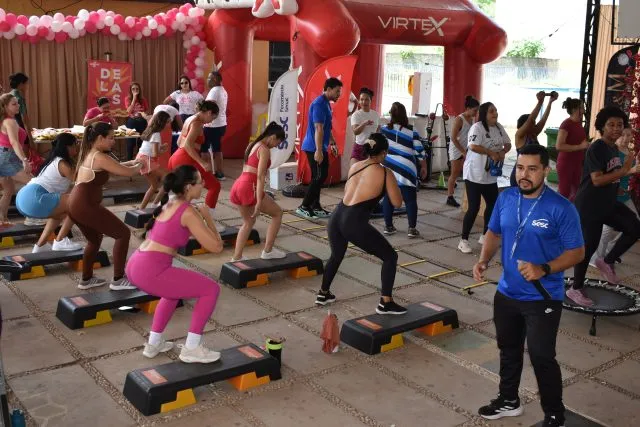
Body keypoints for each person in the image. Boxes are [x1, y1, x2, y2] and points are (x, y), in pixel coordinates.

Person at [473, 144, 584, 427]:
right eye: (520, 168)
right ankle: (508, 400)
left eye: (532, 169)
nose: (524, 175)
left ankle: (555, 414)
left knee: (541, 356)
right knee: (508, 349)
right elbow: (494, 232)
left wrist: (543, 268)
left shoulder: (561, 208)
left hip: (542, 296)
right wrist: (483, 259)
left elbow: (577, 252)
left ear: (546, 170)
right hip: (506, 293)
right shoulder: (506, 198)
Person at [126, 165, 224, 364]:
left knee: (172, 292)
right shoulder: (188, 211)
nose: (204, 184)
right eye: (200, 182)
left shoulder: (170, 202)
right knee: (211, 289)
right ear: (188, 186)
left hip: (136, 264)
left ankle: (154, 343)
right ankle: (192, 348)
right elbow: (216, 247)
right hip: (150, 270)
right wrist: (207, 218)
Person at [315, 133, 407, 314]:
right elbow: (397, 203)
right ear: (384, 153)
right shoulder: (385, 172)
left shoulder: (355, 165)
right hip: (353, 222)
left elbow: (352, 191)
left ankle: (323, 293)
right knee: (390, 257)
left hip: (336, 217)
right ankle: (385, 302)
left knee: (336, 255)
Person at [568, 106, 640, 306]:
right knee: (588, 247)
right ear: (602, 127)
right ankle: (575, 288)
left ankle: (607, 261)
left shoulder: (613, 148)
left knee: (634, 227)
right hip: (589, 205)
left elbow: (611, 177)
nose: (616, 128)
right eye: (611, 125)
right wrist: (625, 170)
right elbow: (597, 180)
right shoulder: (597, 148)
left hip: (607, 203)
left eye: (620, 125)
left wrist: (620, 184)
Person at [69, 122, 143, 290]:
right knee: (123, 234)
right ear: (100, 138)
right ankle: (118, 280)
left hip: (76, 204)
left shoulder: (92, 153)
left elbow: (118, 166)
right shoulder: (99, 157)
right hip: (85, 205)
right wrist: (141, 164)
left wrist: (134, 161)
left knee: (95, 240)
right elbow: (129, 173)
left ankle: (86, 279)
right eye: (110, 138)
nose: (113, 141)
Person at [15, 133, 83, 253]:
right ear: (67, 147)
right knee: (78, 204)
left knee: (61, 212)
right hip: (34, 197)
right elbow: (82, 181)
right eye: (74, 145)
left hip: (24, 198)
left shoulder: (53, 160)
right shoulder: (62, 163)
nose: (76, 148)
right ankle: (60, 241)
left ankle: (40, 246)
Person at [458, 102, 512, 254]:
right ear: (484, 114)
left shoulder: (499, 127)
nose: (495, 113)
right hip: (474, 174)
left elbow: (508, 143)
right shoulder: (477, 127)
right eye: (491, 111)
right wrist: (490, 152)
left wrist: (502, 152)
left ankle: (485, 235)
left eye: (496, 111)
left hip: (490, 175)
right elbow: (473, 146)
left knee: (493, 205)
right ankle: (463, 240)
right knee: (474, 207)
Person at [230, 122, 286, 262]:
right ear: (272, 137)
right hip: (250, 187)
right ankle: (268, 251)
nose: (276, 146)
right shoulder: (264, 149)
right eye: (277, 142)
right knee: (277, 213)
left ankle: (237, 257)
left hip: (239, 184)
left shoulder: (252, 145)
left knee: (248, 222)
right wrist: (259, 200)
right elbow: (260, 176)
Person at [168, 100, 223, 230]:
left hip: (176, 157)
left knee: (183, 191)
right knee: (215, 186)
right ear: (209, 112)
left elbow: (180, 142)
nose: (211, 121)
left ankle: (173, 219)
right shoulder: (197, 123)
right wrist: (201, 162)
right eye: (212, 118)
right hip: (185, 158)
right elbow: (187, 145)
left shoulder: (190, 119)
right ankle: (208, 223)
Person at [296, 77, 342, 219]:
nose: (339, 94)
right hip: (313, 147)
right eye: (337, 91)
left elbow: (327, 127)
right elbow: (318, 128)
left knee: (320, 176)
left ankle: (315, 206)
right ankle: (304, 206)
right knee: (319, 176)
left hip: (320, 146)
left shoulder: (326, 103)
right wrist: (319, 150)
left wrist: (332, 143)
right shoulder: (319, 104)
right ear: (328, 89)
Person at [590, 128, 637, 266]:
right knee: (607, 229)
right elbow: (609, 175)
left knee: (635, 224)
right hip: (612, 194)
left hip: (625, 195)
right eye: (623, 135)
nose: (625, 138)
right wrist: (631, 170)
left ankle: (611, 252)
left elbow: (631, 173)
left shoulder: (630, 153)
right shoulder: (612, 152)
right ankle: (596, 258)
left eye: (628, 135)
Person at [380, 102, 427, 238]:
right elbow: (419, 150)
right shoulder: (411, 131)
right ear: (404, 115)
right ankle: (412, 229)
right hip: (407, 168)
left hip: (389, 167)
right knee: (410, 199)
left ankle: (388, 227)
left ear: (391, 114)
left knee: (389, 197)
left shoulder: (383, 130)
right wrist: (424, 166)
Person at [509, 91, 557, 187]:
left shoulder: (533, 134)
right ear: (524, 126)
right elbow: (531, 120)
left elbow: (543, 120)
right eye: (532, 124)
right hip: (520, 175)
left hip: (532, 174)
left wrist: (550, 102)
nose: (535, 125)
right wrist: (540, 102)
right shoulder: (519, 136)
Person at [0, 93, 33, 224]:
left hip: (4, 155)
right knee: (34, 183)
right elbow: (14, 142)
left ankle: (2, 219)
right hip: (7, 157)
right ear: (5, 107)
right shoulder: (10, 121)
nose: (18, 105)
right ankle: (33, 217)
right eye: (14, 104)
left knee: (8, 191)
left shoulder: (4, 120)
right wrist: (24, 161)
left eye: (17, 103)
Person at [447, 95, 479, 207]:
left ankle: (456, 187)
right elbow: (453, 138)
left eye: (477, 111)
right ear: (468, 108)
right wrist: (462, 151)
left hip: (466, 148)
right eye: (475, 110)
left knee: (462, 172)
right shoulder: (459, 119)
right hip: (456, 149)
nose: (476, 113)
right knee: (454, 173)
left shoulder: (472, 119)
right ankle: (450, 197)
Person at [556, 98, 589, 201]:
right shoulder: (566, 124)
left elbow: (580, 143)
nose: (583, 111)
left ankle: (571, 210)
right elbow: (559, 146)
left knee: (576, 191)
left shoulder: (578, 124)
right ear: (575, 109)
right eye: (581, 108)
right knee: (564, 192)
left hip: (577, 164)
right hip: (566, 164)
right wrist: (580, 147)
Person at [136, 112, 171, 209]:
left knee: (154, 186)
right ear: (162, 122)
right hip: (146, 160)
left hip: (143, 157)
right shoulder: (156, 134)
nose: (169, 124)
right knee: (168, 179)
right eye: (168, 122)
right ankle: (154, 205)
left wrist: (161, 147)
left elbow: (151, 148)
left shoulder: (150, 130)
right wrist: (163, 151)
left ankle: (144, 207)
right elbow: (155, 153)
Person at [203, 71, 228, 180]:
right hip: (221, 124)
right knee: (217, 149)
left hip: (212, 125)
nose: (207, 80)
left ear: (215, 80)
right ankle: (220, 173)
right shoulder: (223, 90)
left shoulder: (214, 91)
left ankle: (206, 174)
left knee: (204, 149)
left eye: (209, 78)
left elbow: (207, 108)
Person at [350, 87, 380, 167]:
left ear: (370, 101)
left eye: (366, 99)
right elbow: (355, 132)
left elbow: (378, 131)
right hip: (359, 148)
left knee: (370, 173)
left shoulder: (376, 115)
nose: (364, 102)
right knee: (354, 172)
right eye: (361, 99)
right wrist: (364, 124)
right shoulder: (356, 115)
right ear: (359, 101)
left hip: (372, 149)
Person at [124, 82, 149, 160]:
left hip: (141, 121)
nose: (135, 90)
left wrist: (144, 114)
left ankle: (139, 160)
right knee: (130, 143)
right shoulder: (127, 99)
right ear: (130, 90)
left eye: (137, 89)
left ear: (139, 90)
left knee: (141, 142)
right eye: (133, 89)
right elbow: (128, 111)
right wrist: (134, 99)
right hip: (132, 121)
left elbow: (146, 110)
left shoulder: (143, 100)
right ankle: (129, 160)